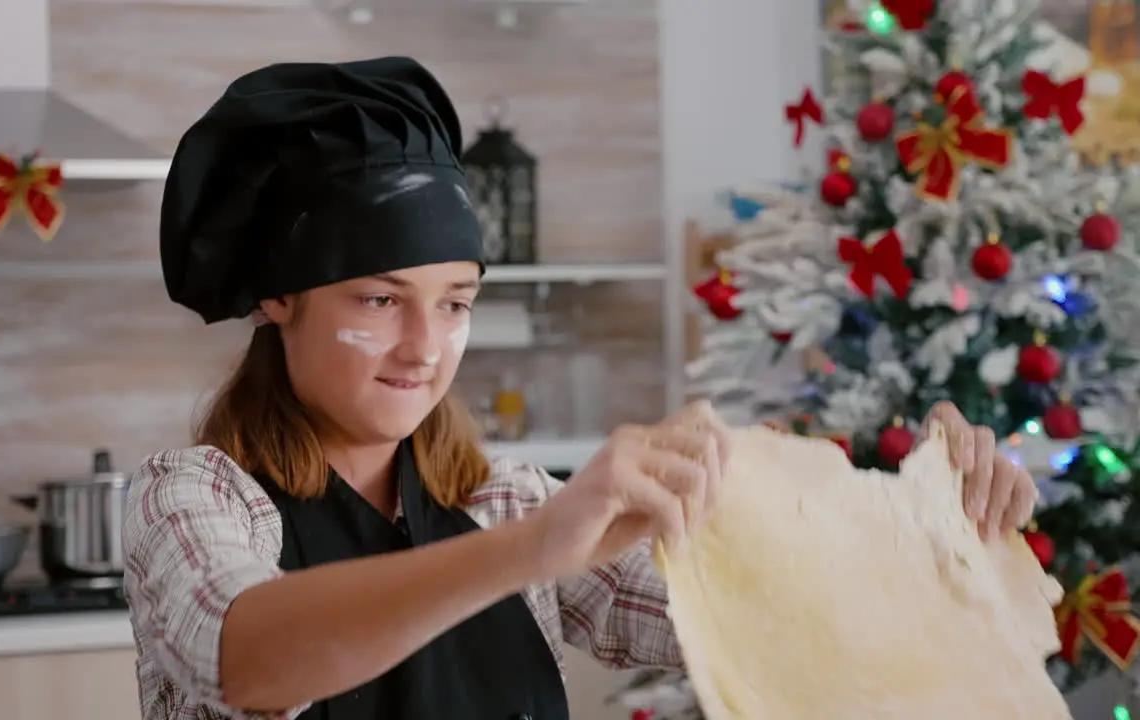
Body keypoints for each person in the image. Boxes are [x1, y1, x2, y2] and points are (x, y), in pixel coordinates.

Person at [123, 56, 1040, 720]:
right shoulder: (194, 497)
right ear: (277, 300)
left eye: (455, 303)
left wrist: (935, 528)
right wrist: (532, 549)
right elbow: (250, 660)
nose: (425, 347)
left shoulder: (503, 500)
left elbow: (784, 616)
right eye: (380, 299)